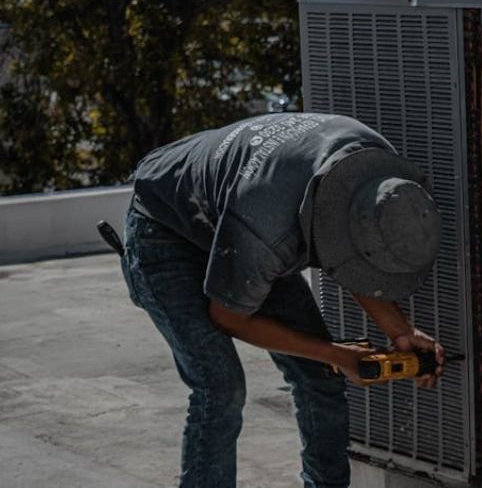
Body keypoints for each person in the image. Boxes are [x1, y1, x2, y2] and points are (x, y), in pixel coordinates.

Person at [118, 112, 444, 488]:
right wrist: (338, 355)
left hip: (241, 212)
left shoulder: (378, 172)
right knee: (221, 388)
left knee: (319, 376)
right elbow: (229, 317)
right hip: (164, 227)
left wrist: (400, 332)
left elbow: (356, 252)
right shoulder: (267, 228)